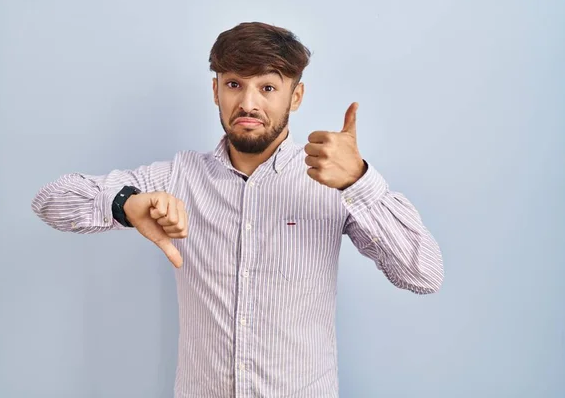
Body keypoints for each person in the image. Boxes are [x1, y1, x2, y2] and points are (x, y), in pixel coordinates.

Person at [32, 21, 443, 397]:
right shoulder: (180, 176)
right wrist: (125, 204)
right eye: (234, 84)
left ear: (295, 96)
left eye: (267, 87)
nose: (248, 104)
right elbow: (50, 200)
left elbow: (423, 274)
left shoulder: (332, 182)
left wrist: (359, 181)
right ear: (216, 90)